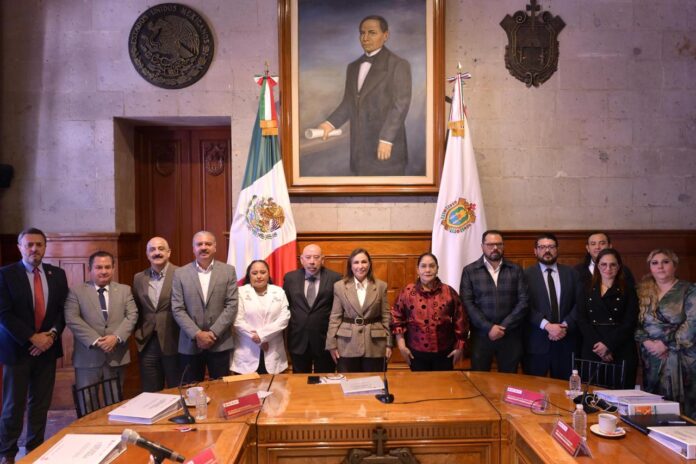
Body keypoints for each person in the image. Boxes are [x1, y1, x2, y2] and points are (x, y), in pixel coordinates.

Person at [0, 228, 68, 463]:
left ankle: (35, 450)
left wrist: (50, 336)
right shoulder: (5, 274)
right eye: (29, 244)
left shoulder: (57, 274)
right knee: (13, 406)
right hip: (17, 350)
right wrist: (32, 337)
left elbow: (62, 311)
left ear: (45, 247)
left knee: (40, 405)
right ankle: (8, 453)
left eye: (39, 244)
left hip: (47, 351)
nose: (34, 249)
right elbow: (4, 313)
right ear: (20, 247)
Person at [318, 15, 411, 176]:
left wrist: (386, 139)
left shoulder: (398, 65)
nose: (365, 38)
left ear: (385, 35)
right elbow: (349, 103)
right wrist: (330, 124)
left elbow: (400, 105)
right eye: (362, 33)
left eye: (372, 33)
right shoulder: (353, 67)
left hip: (386, 148)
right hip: (359, 151)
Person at [64, 251, 137, 392]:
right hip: (87, 357)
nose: (104, 271)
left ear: (113, 268)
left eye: (107, 267)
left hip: (116, 356)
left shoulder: (125, 290)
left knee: (115, 400)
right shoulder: (76, 291)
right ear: (89, 269)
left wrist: (116, 337)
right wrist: (97, 341)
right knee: (87, 401)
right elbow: (72, 318)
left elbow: (132, 315)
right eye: (98, 267)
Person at [635, 249, 696, 419]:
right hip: (651, 357)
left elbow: (692, 323)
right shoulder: (641, 291)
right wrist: (646, 341)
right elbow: (635, 322)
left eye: (665, 262)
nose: (660, 266)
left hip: (681, 355)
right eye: (655, 263)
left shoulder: (689, 290)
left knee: (684, 409)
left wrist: (666, 344)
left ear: (675, 265)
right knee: (654, 405)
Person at [171, 231, 238, 382]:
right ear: (193, 248)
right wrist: (197, 334)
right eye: (199, 244)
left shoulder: (228, 271)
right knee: (191, 389)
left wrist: (213, 333)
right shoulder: (180, 273)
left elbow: (232, 305)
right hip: (190, 343)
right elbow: (177, 308)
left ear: (215, 247)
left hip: (220, 342)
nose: (203, 247)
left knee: (222, 388)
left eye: (208, 244)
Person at [460, 230, 528, 373]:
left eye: (499, 244)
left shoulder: (515, 269)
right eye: (490, 244)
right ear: (482, 247)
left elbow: (523, 301)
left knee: (509, 379)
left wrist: (503, 326)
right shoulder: (470, 271)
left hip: (510, 335)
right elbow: (467, 303)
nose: (495, 248)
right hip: (481, 336)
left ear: (503, 246)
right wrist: (489, 327)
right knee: (480, 379)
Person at [391, 253, 468, 371]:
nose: (427, 270)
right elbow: (396, 317)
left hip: (445, 353)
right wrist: (401, 346)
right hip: (415, 353)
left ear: (437, 269)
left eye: (432, 266)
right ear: (417, 269)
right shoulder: (407, 292)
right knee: (421, 383)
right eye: (423, 266)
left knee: (443, 382)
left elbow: (461, 319)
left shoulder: (448, 291)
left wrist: (459, 347)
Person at [523, 233, 583, 380]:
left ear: (557, 250)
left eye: (551, 247)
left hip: (566, 341)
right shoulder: (525, 275)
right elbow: (524, 305)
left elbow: (580, 303)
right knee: (534, 387)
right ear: (535, 251)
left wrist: (564, 326)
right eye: (542, 247)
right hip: (536, 344)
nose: (547, 250)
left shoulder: (572, 274)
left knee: (564, 388)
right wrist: (547, 326)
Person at [576, 248, 638, 388]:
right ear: (597, 266)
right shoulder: (586, 288)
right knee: (592, 393)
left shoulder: (628, 289)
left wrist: (609, 345)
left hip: (620, 348)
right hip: (593, 348)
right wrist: (599, 347)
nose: (608, 269)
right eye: (603, 264)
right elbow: (582, 319)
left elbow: (630, 321)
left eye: (613, 264)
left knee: (620, 394)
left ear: (619, 266)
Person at [326, 248, 392, 372]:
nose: (360, 266)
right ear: (350, 266)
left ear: (369, 264)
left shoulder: (381, 286)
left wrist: (389, 343)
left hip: (375, 344)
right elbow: (335, 317)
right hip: (346, 344)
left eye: (364, 262)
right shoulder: (340, 286)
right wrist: (331, 344)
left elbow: (386, 316)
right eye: (356, 262)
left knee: (374, 381)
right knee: (348, 381)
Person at [283, 244, 342, 373]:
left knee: (325, 380)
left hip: (324, 341)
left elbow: (338, 310)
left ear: (323, 259)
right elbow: (285, 307)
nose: (312, 261)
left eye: (316, 257)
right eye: (308, 257)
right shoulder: (290, 278)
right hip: (298, 340)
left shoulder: (335, 278)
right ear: (301, 260)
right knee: (300, 381)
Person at [132, 237, 180, 392]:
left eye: (161, 248)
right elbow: (136, 308)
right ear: (147, 254)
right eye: (152, 249)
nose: (157, 252)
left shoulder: (181, 274)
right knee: (151, 390)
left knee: (177, 388)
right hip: (147, 341)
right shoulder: (139, 278)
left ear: (169, 252)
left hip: (174, 339)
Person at [231, 260, 290, 374]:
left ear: (268, 274)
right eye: (254, 273)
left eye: (263, 272)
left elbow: (284, 318)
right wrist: (259, 340)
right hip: (247, 350)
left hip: (273, 350)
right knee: (246, 385)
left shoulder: (279, 291)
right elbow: (237, 320)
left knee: (274, 385)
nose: (259, 276)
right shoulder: (240, 292)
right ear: (249, 275)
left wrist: (262, 336)